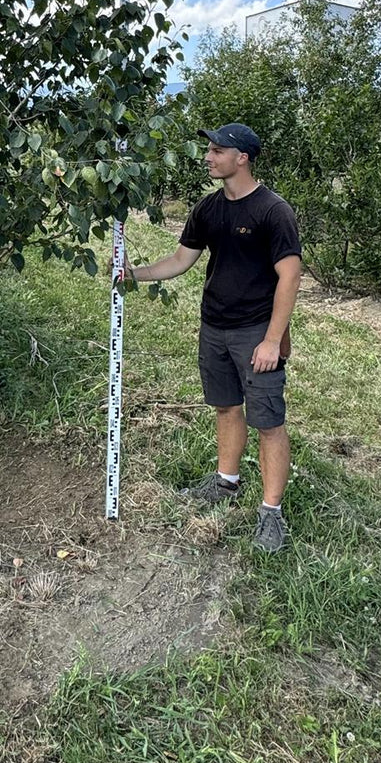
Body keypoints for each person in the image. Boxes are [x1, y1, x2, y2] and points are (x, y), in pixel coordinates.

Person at [131, 123, 302, 553]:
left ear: (242, 157)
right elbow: (179, 260)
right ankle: (226, 481)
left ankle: (271, 512)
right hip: (214, 328)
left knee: (268, 421)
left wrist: (272, 339)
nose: (208, 156)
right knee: (226, 406)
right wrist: (133, 275)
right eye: (208, 149)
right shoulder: (208, 209)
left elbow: (290, 276)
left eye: (216, 150)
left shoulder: (272, 210)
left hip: (255, 333)